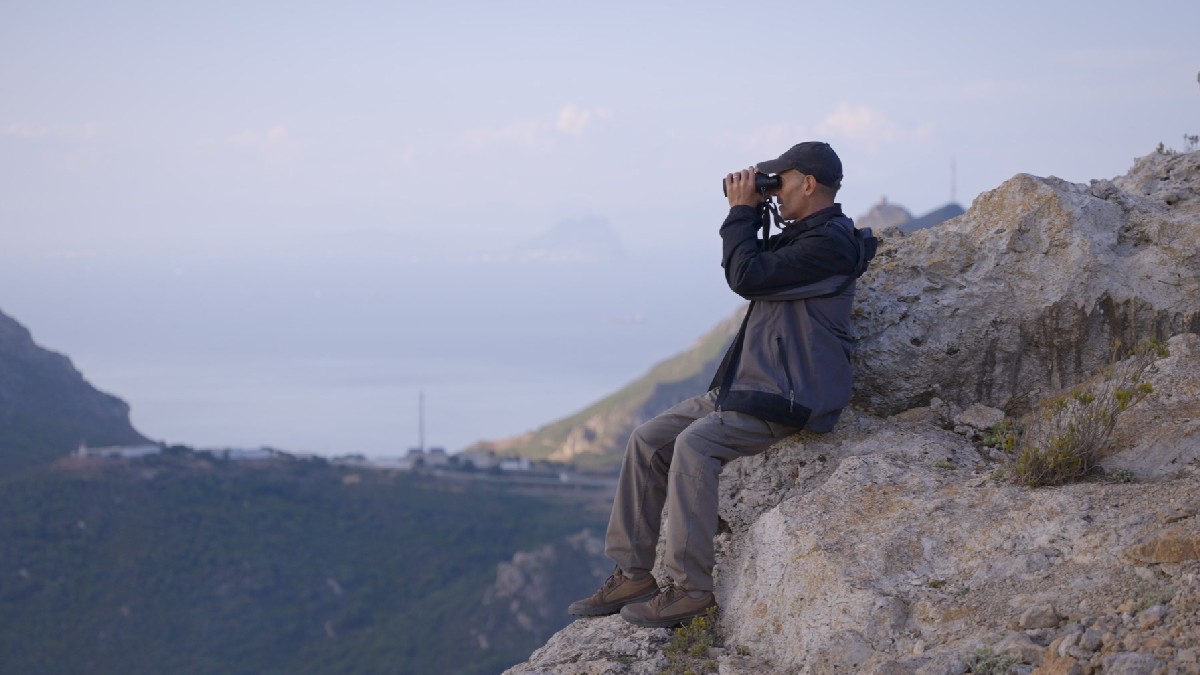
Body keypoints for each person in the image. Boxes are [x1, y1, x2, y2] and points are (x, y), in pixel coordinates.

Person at [567, 141, 872, 628]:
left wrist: (741, 211)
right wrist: (752, 212)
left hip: (789, 395)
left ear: (808, 183)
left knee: (694, 446)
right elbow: (750, 263)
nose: (774, 191)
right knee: (647, 441)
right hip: (752, 385)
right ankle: (632, 573)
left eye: (781, 181)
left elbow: (745, 274)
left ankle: (691, 590)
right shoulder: (803, 238)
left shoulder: (830, 244)